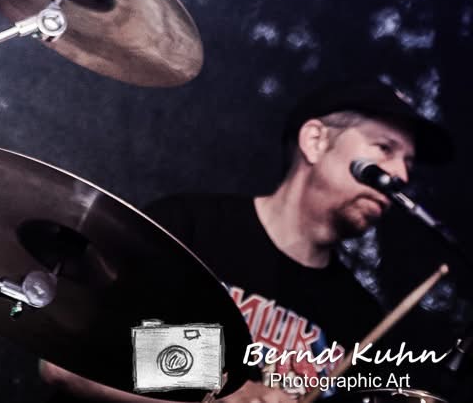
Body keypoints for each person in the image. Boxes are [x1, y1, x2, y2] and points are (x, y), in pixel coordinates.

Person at [41, 78, 454, 402]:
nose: (401, 174)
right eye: (384, 148)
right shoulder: (188, 226)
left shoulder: (359, 318)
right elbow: (68, 359)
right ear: (315, 141)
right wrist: (228, 390)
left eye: (408, 163)